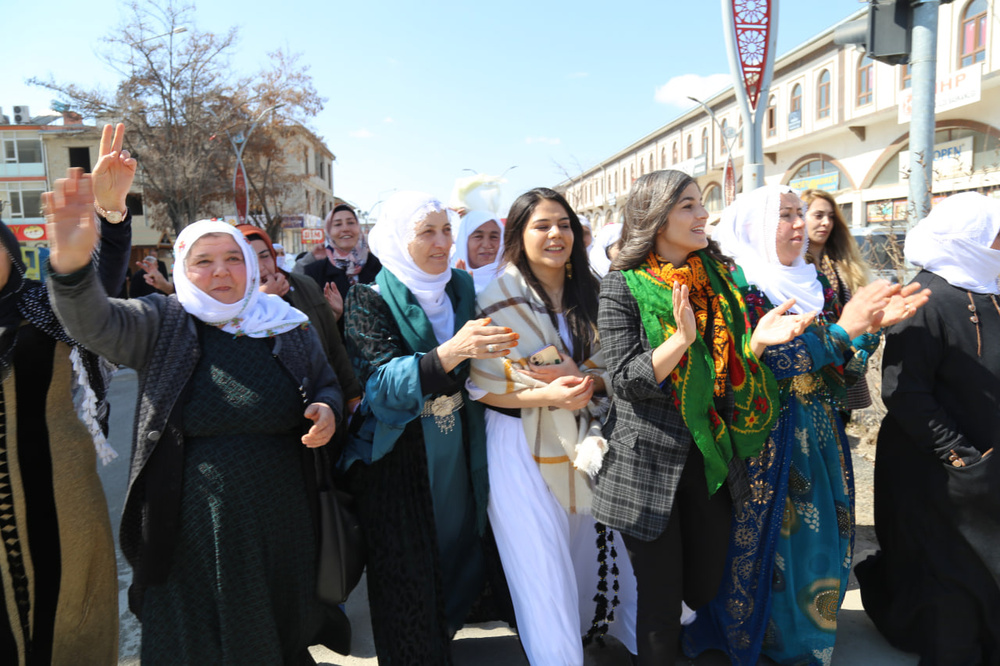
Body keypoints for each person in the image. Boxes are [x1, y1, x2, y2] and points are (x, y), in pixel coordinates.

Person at [46, 194, 344, 665]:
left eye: (232, 259)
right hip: (192, 524)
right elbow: (93, 323)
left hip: (284, 518)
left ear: (250, 265)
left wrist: (326, 411)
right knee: (198, 637)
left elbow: (326, 386)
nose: (221, 272)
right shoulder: (162, 321)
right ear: (184, 269)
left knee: (281, 630)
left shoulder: (286, 324)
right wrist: (71, 265)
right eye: (203, 262)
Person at [683, 184, 929, 666]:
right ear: (755, 226)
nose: (799, 225)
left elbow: (838, 380)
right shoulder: (735, 288)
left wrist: (868, 332)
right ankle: (766, 643)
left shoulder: (810, 283)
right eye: (785, 215)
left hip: (818, 432)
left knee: (823, 539)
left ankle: (805, 641)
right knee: (772, 549)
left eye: (801, 214)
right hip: (763, 439)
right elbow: (755, 369)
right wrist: (843, 330)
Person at [591, 171, 811, 666]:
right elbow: (625, 380)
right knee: (662, 601)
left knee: (705, 581)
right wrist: (680, 339)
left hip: (710, 455)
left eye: (702, 203)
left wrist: (756, 342)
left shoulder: (716, 276)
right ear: (656, 216)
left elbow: (728, 367)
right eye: (689, 205)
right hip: (647, 465)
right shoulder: (621, 286)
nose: (703, 215)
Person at [341, 191, 515, 663]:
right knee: (408, 571)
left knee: (459, 545)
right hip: (400, 459)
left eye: (445, 231)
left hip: (460, 448)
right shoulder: (369, 297)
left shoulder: (460, 286)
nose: (442, 244)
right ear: (399, 239)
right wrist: (451, 352)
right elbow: (380, 384)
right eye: (427, 232)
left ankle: (448, 629)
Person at [469, 187, 639, 664]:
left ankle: (599, 635)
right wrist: (550, 392)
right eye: (541, 225)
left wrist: (581, 379)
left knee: (586, 550)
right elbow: (484, 385)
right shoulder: (496, 297)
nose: (555, 234)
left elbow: (618, 369)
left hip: (590, 438)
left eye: (563, 224)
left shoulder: (596, 292)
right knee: (539, 564)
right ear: (519, 236)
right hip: (517, 440)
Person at [0, 124, 133, 666]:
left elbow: (92, 291)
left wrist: (110, 219)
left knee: (68, 624)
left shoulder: (44, 305)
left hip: (62, 499)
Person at [856, 192, 1000, 665]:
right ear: (972, 239)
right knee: (947, 567)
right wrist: (959, 456)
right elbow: (904, 393)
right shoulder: (924, 297)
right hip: (933, 467)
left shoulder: (988, 288)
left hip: (978, 461)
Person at [237, 223, 362, 437]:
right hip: (271, 422)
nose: (262, 267)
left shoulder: (304, 285)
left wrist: (352, 397)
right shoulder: (232, 304)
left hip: (324, 405)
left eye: (265, 256)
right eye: (249, 259)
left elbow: (333, 346)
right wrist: (262, 301)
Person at [801, 188, 873, 412]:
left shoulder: (843, 264)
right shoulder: (796, 267)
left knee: (842, 427)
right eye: (818, 215)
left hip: (848, 360)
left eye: (831, 216)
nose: (826, 222)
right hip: (813, 365)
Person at [305, 204, 382, 321]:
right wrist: (333, 316)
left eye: (351, 222)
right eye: (337, 224)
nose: (345, 228)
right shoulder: (314, 272)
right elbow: (312, 323)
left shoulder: (380, 266)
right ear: (328, 231)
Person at [452, 209, 504, 293]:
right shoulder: (448, 281)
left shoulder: (513, 280)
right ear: (464, 241)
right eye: (478, 236)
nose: (486, 245)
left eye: (494, 237)